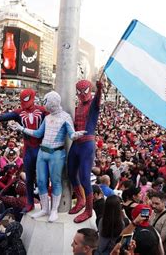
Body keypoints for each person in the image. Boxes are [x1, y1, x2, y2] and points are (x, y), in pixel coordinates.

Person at [11, 91, 86, 222]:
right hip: (42, 152)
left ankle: (54, 210)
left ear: (52, 101)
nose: (43, 104)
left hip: (57, 153)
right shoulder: (47, 117)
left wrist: (77, 135)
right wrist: (21, 128)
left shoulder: (65, 117)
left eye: (45, 101)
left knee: (56, 182)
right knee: (40, 181)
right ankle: (45, 209)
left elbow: (71, 134)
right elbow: (38, 133)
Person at [0, 88, 48, 212]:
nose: (24, 102)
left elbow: (56, 118)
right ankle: (30, 202)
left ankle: (45, 204)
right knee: (29, 177)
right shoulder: (19, 112)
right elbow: (2, 117)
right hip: (29, 148)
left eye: (26, 99)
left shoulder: (42, 110)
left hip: (40, 148)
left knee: (43, 177)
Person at [67, 78, 103, 223]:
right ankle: (81, 201)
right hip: (76, 143)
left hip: (87, 143)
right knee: (70, 172)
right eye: (79, 91)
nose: (82, 93)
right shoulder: (78, 106)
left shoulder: (92, 105)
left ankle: (88, 209)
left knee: (84, 177)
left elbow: (97, 101)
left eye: (84, 90)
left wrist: (100, 89)